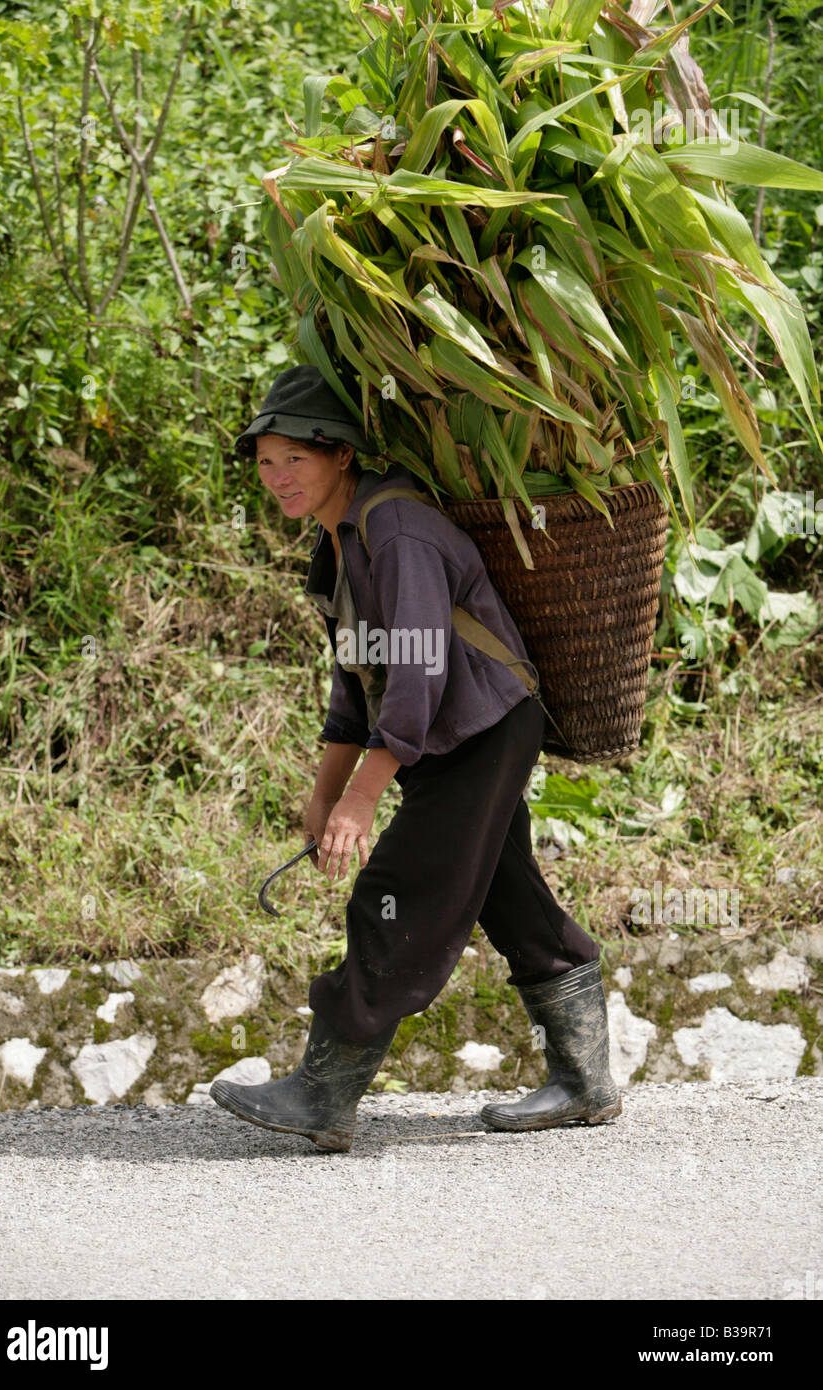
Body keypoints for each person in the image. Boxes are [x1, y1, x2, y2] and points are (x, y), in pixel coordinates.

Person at [210, 365, 621, 1151]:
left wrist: (362, 801)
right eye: (265, 462)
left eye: (295, 458)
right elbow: (354, 679)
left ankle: (324, 1095)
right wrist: (326, 792)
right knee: (512, 897)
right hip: (448, 734)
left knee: (399, 892)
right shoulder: (339, 544)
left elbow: (419, 672)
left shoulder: (394, 530)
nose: (278, 477)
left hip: (479, 726)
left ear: (340, 456)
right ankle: (584, 1081)